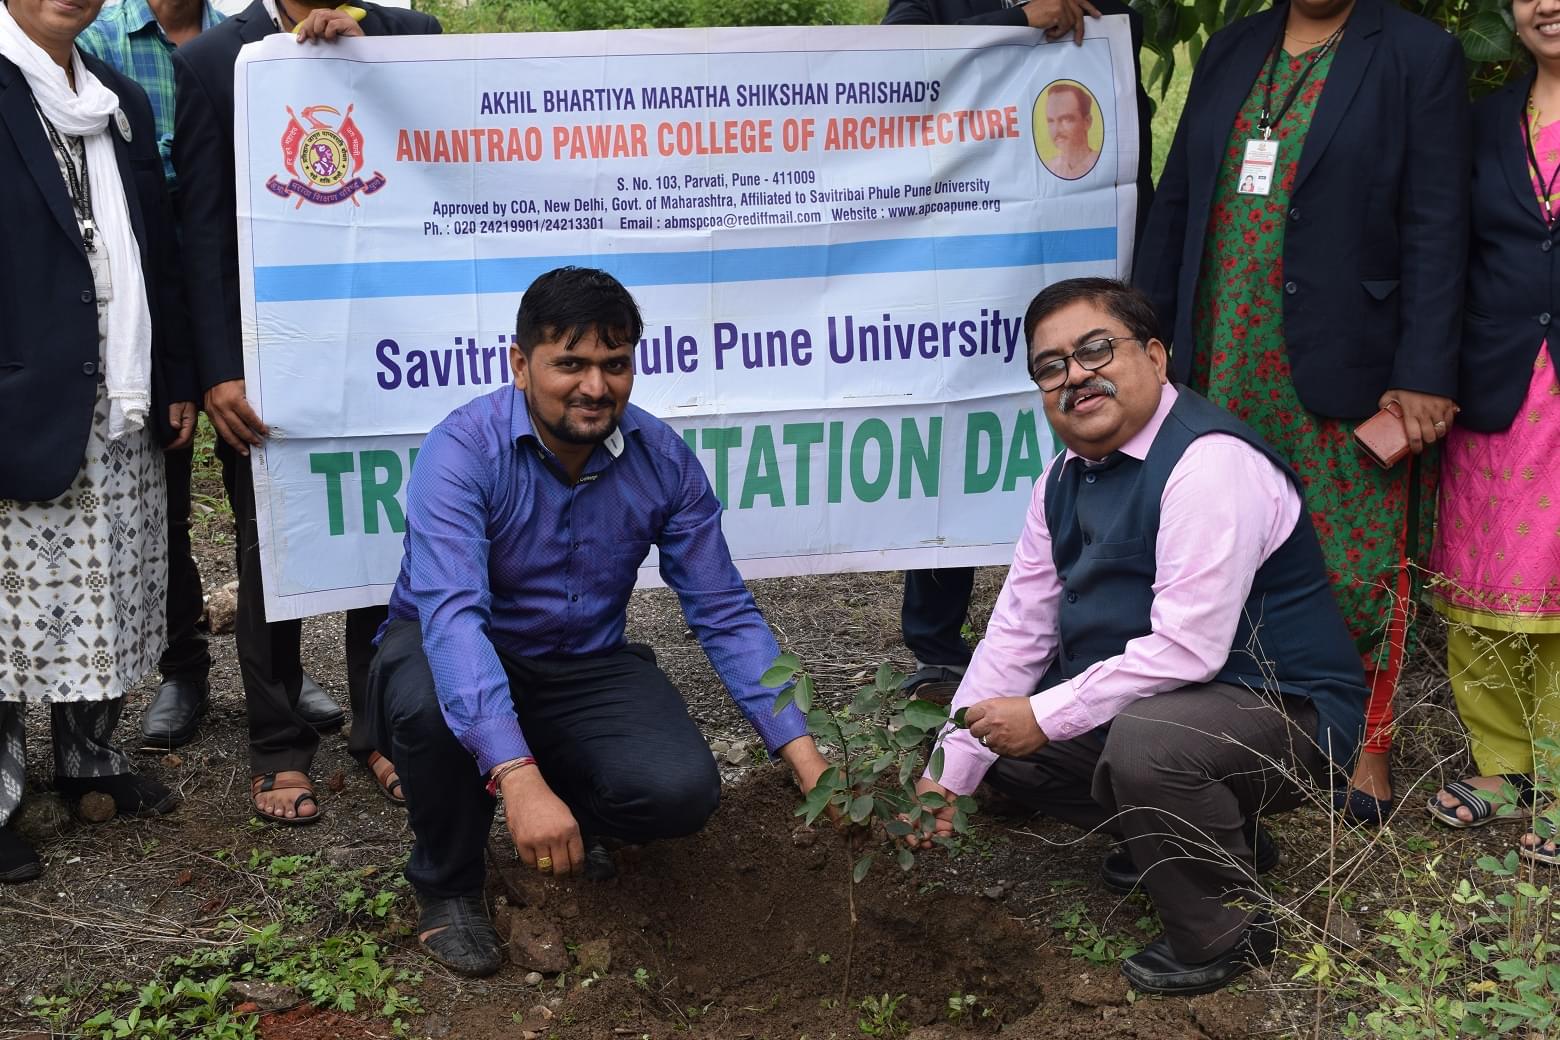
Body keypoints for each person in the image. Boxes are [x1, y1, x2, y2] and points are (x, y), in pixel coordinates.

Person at [367, 267, 831, 977]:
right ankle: (449, 883)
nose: (595, 387)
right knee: (434, 708)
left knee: (680, 792)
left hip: (582, 661)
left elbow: (724, 611)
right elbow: (454, 617)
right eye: (571, 364)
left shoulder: (661, 458)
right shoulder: (461, 452)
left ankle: (579, 818)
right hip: (452, 647)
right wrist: (517, 777)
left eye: (615, 365)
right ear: (521, 364)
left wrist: (803, 755)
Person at [913, 278, 1367, 995]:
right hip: (1177, 707)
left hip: (1289, 711)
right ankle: (1217, 838)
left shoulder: (1209, 464)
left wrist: (1045, 714)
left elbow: (1191, 649)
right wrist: (951, 767)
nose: (1075, 377)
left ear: (1155, 357)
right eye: (1051, 366)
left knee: (1145, 744)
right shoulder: (1061, 479)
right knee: (989, 733)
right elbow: (1017, 630)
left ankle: (1227, 928)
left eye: (1096, 350)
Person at [1133, 0, 1470, 825]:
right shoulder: (1233, 46)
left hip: (1343, 356)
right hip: (1222, 344)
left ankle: (1368, 742)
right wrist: (1146, 335)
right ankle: (1238, 723)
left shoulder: (1418, 54)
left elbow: (1437, 222)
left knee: (1356, 553)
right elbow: (1178, 199)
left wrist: (1424, 369)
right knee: (1224, 537)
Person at [172, 0, 439, 823]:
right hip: (272, 363)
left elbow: (453, 175)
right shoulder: (217, 58)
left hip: (398, 354)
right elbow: (204, 229)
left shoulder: (415, 41)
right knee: (267, 554)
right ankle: (279, 745)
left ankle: (383, 727)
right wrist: (218, 370)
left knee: (390, 544)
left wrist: (372, 72)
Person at [883, 0, 1157, 702]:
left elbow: (1126, 116)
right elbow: (892, 58)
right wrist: (1012, 18)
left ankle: (1090, 637)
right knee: (953, 432)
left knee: (1096, 440)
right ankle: (940, 648)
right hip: (959, 246)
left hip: (1078, 249)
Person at [0, 0, 196, 880]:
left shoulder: (118, 96)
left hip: (119, 391)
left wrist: (178, 375)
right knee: (8, 611)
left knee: (108, 583)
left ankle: (90, 759)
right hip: (23, 392)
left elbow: (161, 246)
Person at [74, 0, 231, 754]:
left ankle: (283, 667)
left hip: (233, 279)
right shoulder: (92, 38)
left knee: (263, 485)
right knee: (162, 495)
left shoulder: (246, 38)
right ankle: (184, 664)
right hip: (146, 287)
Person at [1425, 0, 1559, 866]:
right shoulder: (1481, 118)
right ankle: (1503, 763)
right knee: (1482, 579)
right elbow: (1446, 249)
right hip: (1498, 378)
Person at [1041, 82, 1100, 180]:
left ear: (1087, 122)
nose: (1056, 129)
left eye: (1066, 119)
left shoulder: (1104, 164)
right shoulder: (1048, 169)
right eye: (1050, 121)